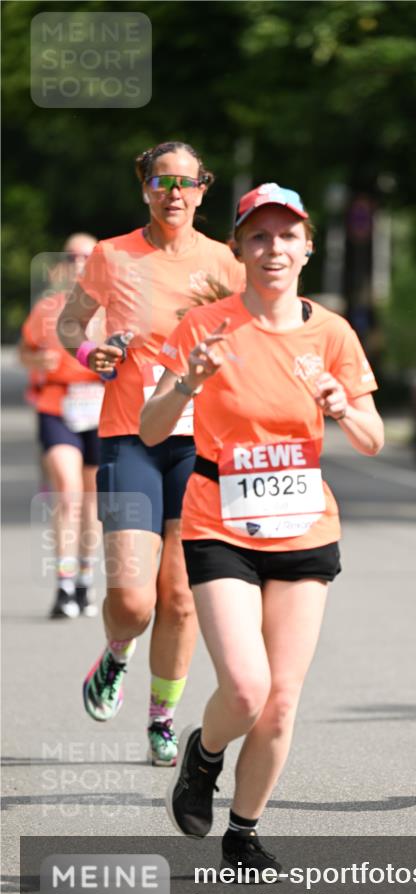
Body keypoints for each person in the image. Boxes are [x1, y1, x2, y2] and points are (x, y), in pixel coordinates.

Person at [140, 182, 383, 872]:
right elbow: (152, 427)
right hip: (220, 521)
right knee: (244, 688)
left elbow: (370, 439)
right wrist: (187, 382)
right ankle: (204, 754)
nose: (272, 249)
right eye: (258, 237)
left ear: (306, 248)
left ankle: (243, 832)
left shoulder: (331, 333)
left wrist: (341, 405)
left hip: (303, 528)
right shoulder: (206, 328)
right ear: (240, 249)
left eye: (286, 236)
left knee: (279, 703)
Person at [57, 141, 245, 766]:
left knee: (183, 596)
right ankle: (115, 654)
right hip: (130, 436)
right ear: (145, 188)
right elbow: (70, 324)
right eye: (162, 181)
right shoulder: (112, 256)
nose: (174, 193)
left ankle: (162, 718)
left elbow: (253, 339)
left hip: (201, 442)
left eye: (186, 183)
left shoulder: (225, 263)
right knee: (135, 601)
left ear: (202, 190)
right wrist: (90, 354)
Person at [19, 233, 103, 618]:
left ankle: (85, 580)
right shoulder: (48, 308)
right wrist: (38, 364)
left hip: (101, 409)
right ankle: (64, 586)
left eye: (88, 256)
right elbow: (26, 351)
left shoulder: (110, 310)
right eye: (72, 256)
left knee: (92, 502)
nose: (79, 263)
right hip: (58, 405)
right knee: (67, 493)